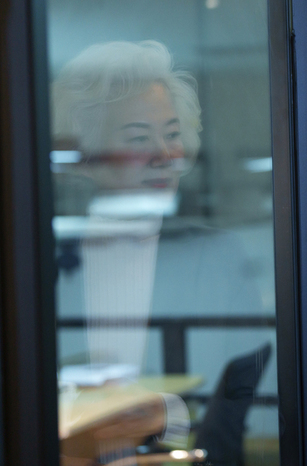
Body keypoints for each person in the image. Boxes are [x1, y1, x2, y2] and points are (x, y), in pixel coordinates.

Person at [53, 40, 201, 464]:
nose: (165, 155)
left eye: (173, 135)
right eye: (139, 137)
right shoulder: (40, 258)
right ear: (88, 152)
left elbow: (246, 406)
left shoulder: (215, 257)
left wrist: (169, 417)